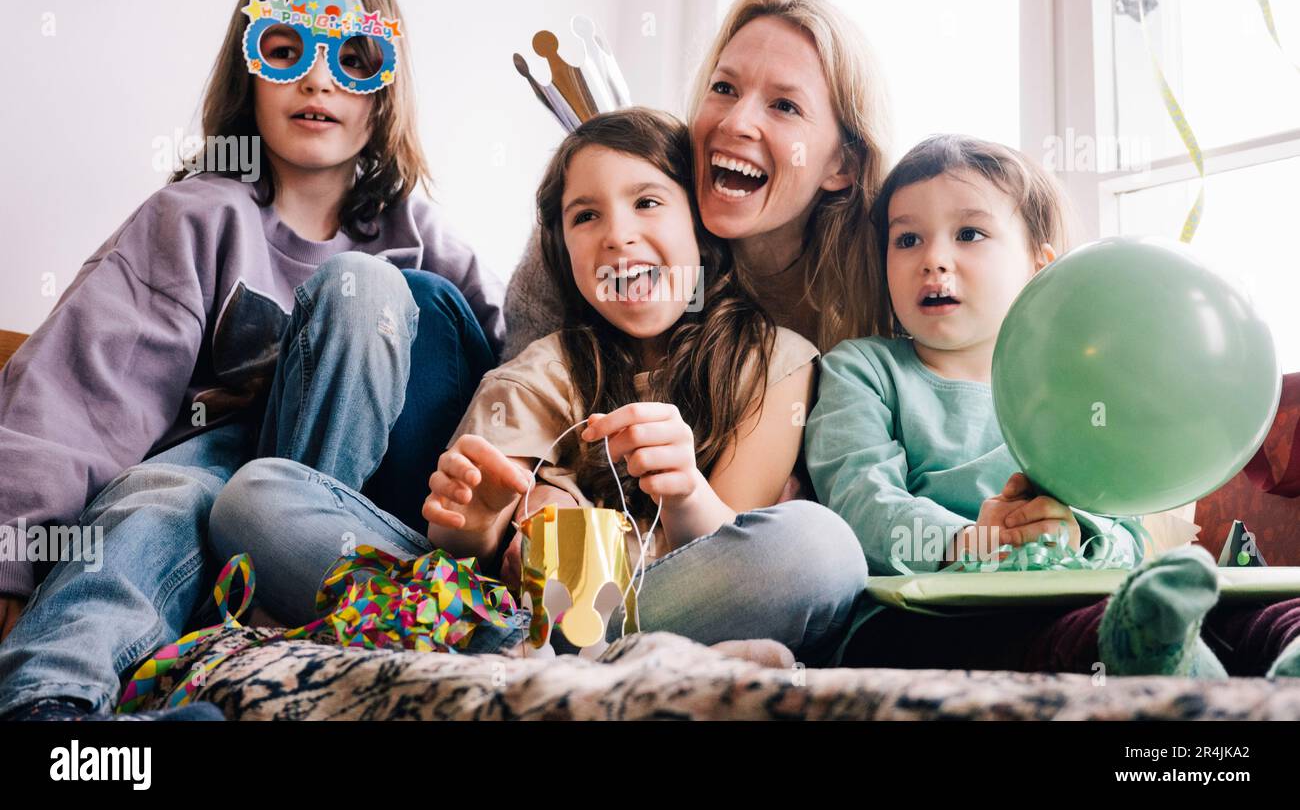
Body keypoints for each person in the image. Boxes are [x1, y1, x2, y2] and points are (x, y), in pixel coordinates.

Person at [0, 0, 503, 720]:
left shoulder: (423, 239)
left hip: (375, 519)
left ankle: (268, 631)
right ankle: (55, 707)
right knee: (157, 495)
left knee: (363, 289)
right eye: (287, 49)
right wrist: (13, 552)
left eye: (354, 60)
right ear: (250, 74)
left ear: (383, 93)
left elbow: (526, 370)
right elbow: (78, 391)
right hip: (222, 475)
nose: (316, 79)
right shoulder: (195, 219)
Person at [216, 108, 866, 665]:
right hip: (497, 607)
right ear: (565, 256)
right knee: (254, 496)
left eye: (647, 201)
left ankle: (511, 651)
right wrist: (478, 523)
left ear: (700, 221)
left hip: (659, 597)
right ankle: (557, 653)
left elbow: (729, 543)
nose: (617, 234)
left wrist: (686, 491)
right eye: (586, 217)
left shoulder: (777, 361)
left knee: (822, 548)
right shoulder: (547, 368)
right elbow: (454, 557)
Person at [806, 134, 1300, 678]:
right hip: (930, 614)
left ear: (1041, 270)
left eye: (969, 233)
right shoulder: (863, 368)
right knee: (1086, 635)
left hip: (1078, 589)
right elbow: (857, 498)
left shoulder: (1084, 380)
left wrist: (1076, 536)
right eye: (907, 240)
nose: (933, 260)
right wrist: (968, 542)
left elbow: (1128, 523)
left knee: (1256, 613)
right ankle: (1161, 662)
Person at [504, 0, 892, 360]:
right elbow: (520, 395)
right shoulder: (585, 239)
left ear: (845, 164)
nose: (735, 123)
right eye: (724, 88)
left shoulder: (891, 286)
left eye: (785, 106)